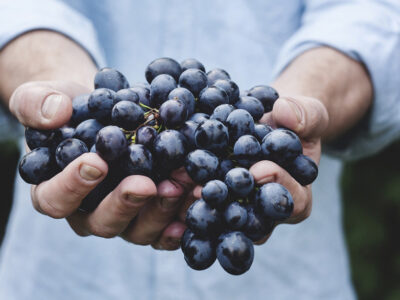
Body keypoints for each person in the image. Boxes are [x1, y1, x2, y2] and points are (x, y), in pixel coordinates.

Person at [0, 0, 399, 299]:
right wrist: (49, 80)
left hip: (283, 280)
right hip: (63, 278)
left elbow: (370, 16)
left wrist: (305, 101)